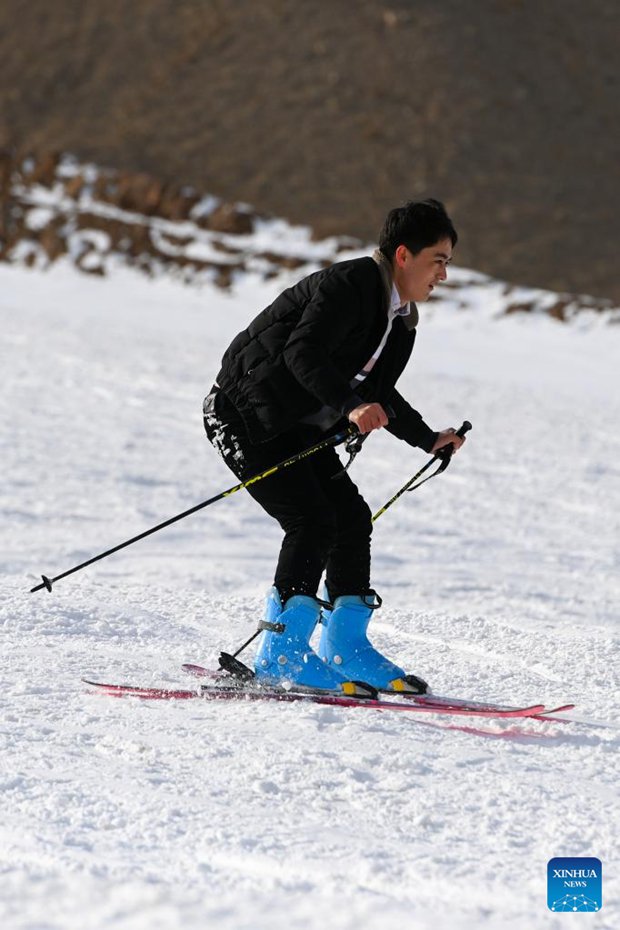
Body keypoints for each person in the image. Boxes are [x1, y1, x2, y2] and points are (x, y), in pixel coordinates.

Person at [203, 199, 465, 695]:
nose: (443, 275)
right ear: (404, 255)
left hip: (295, 427)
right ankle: (282, 654)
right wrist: (349, 406)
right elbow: (302, 353)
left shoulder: (401, 319)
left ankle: (346, 648)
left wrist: (428, 438)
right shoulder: (351, 285)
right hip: (245, 417)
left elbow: (378, 389)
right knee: (311, 520)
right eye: (439, 260)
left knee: (349, 518)